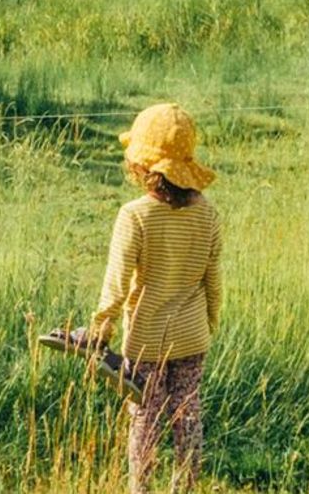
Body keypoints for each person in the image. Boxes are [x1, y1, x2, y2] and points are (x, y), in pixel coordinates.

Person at [91, 103, 223, 493]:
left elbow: (117, 281)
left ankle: (141, 489)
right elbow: (212, 278)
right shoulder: (208, 214)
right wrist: (211, 320)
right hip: (193, 337)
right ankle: (186, 487)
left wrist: (102, 324)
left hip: (147, 340)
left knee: (145, 419)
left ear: (142, 166)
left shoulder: (135, 216)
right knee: (188, 415)